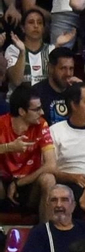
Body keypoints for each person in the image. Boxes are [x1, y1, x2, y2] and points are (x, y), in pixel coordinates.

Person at [0, 83, 57, 217]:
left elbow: (51, 165)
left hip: (29, 182)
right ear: (21, 111)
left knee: (49, 179)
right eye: (36, 109)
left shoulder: (41, 124)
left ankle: (46, 233)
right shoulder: (2, 123)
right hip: (3, 181)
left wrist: (18, 183)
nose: (42, 112)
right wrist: (10, 147)